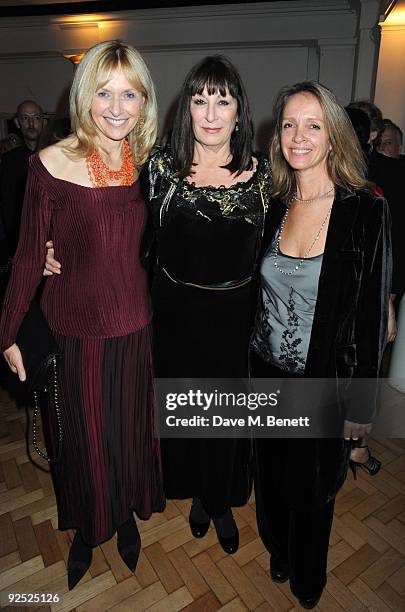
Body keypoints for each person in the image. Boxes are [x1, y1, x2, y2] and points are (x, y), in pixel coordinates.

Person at [47, 55, 271, 553]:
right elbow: (113, 227)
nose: (211, 114)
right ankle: (193, 496)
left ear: (239, 110)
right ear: (184, 108)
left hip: (234, 322)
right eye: (199, 100)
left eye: (223, 100)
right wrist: (52, 250)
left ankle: (218, 501)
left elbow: (281, 249)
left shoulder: (264, 177)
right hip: (171, 318)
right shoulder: (159, 170)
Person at [0, 40, 165, 591]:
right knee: (80, 439)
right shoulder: (49, 163)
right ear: (83, 95)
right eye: (103, 91)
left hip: (134, 326)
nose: (116, 107)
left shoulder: (146, 162)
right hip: (76, 328)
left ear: (144, 101)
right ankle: (86, 528)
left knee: (123, 436)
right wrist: (7, 332)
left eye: (130, 94)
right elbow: (28, 253)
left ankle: (120, 516)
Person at [251, 81, 391, 608]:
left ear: (333, 134)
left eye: (312, 124)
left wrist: (363, 404)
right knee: (271, 478)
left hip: (323, 384)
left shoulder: (365, 211)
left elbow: (373, 315)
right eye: (289, 124)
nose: (298, 136)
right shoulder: (273, 204)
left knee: (313, 491)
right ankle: (279, 552)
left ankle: (309, 577)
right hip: (264, 372)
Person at [0, 101, 46, 260]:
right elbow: (7, 205)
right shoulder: (9, 161)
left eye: (36, 118)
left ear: (43, 122)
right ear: (17, 123)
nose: (31, 123)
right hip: (22, 240)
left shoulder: (58, 156)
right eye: (25, 118)